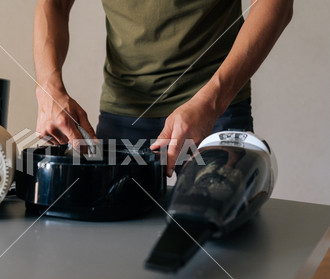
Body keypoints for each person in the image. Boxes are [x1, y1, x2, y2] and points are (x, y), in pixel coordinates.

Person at [33, 0, 293, 176]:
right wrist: (47, 88)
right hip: (123, 113)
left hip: (214, 109)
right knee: (111, 240)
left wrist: (211, 102)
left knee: (218, 243)